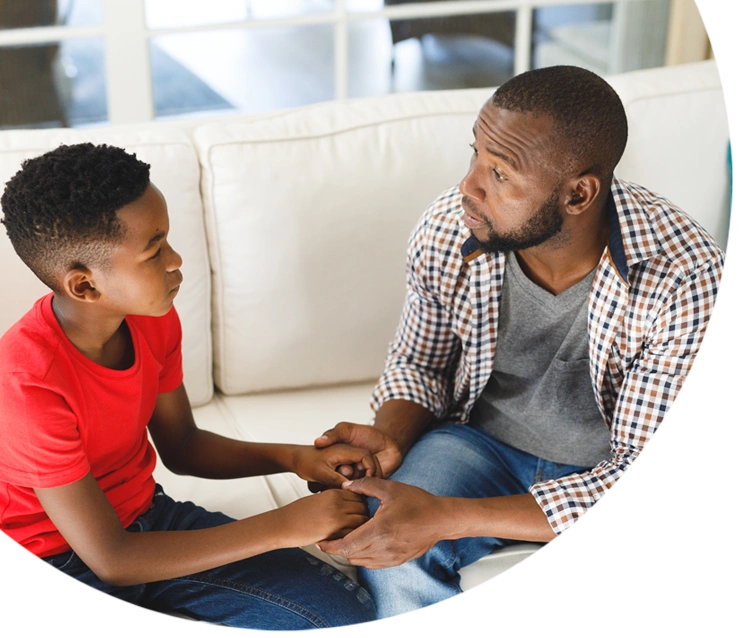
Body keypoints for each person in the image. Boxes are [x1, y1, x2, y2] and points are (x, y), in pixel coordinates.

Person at [312, 65, 727, 621]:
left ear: (579, 193)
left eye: (500, 174)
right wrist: (389, 438)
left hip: (605, 466)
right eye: (475, 156)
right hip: (477, 445)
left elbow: (646, 478)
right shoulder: (450, 227)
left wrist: (449, 517)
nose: (469, 186)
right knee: (388, 544)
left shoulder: (683, 274)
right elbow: (421, 364)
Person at [0, 143, 378, 631]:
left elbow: (183, 446)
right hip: (49, 564)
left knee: (345, 620)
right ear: (85, 286)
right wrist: (285, 525)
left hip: (149, 521)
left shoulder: (151, 320)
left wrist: (295, 457)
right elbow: (112, 559)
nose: (177, 260)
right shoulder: (27, 384)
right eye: (155, 250)